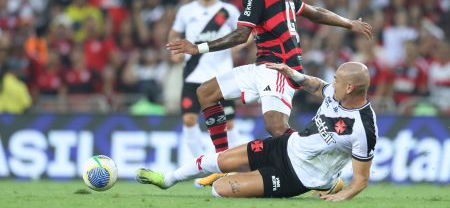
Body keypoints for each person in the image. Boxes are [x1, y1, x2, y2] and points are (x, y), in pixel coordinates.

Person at [166, 0, 373, 154]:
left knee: (276, 128)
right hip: (263, 66)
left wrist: (198, 48)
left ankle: (320, 157)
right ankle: (223, 161)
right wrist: (348, 23)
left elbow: (241, 35)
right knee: (206, 92)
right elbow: (315, 13)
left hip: (279, 68)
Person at [136, 62, 378, 200]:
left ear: (349, 87)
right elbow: (318, 85)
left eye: (336, 80)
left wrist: (344, 196)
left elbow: (361, 179)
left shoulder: (363, 127)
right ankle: (166, 180)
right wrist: (293, 75)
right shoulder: (336, 95)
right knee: (219, 161)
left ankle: (327, 184)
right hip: (286, 145)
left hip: (297, 177)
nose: (331, 83)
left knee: (220, 191)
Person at [168, 0, 244, 159]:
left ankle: (233, 167)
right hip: (193, 74)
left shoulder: (228, 11)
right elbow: (175, 32)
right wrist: (174, 50)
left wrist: (239, 45)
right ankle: (201, 165)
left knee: (229, 123)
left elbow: (247, 34)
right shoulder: (186, 11)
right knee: (189, 119)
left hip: (221, 76)